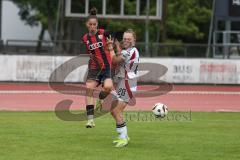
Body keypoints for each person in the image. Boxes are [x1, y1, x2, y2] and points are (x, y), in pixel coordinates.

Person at [106, 29, 140, 147]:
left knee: (116, 110)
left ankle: (123, 138)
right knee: (113, 111)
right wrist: (115, 45)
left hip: (128, 83)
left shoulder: (131, 51)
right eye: (124, 39)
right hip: (123, 82)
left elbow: (114, 60)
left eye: (128, 39)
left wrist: (110, 47)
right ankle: (124, 135)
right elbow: (120, 55)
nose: (126, 41)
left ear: (134, 40)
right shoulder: (127, 50)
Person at [82, 7, 113, 128]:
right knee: (89, 88)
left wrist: (112, 48)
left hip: (107, 67)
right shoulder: (85, 38)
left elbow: (113, 41)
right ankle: (90, 120)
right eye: (90, 24)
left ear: (97, 25)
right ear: (87, 25)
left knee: (108, 87)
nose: (92, 26)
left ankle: (101, 99)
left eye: (94, 24)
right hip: (94, 68)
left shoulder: (104, 33)